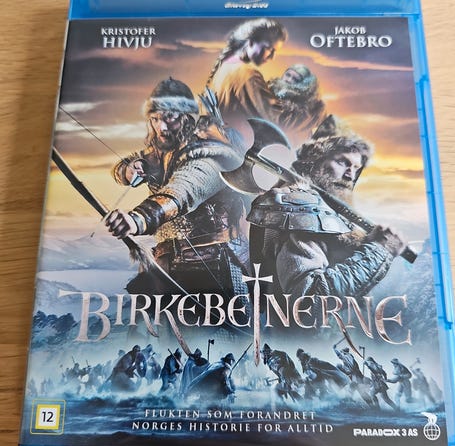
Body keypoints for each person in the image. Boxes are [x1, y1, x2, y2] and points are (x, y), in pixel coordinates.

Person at [105, 77, 249, 308]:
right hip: (169, 267)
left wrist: (137, 219)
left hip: (216, 268)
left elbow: (183, 191)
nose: (161, 127)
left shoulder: (211, 154)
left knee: (220, 329)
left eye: (169, 117)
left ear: (186, 117)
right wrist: (129, 170)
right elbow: (125, 167)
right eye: (155, 119)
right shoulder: (162, 151)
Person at [247, 114, 406, 300]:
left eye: (356, 168)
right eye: (343, 162)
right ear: (315, 158)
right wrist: (379, 251)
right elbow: (310, 300)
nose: (350, 175)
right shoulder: (301, 209)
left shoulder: (324, 209)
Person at [206, 18, 289, 134]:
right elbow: (274, 121)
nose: (272, 57)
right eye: (269, 49)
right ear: (250, 42)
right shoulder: (248, 75)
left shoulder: (224, 66)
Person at [268, 64, 326, 142]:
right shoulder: (269, 89)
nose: (288, 80)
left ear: (303, 84)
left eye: (295, 79)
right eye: (288, 75)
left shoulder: (304, 108)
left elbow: (287, 126)